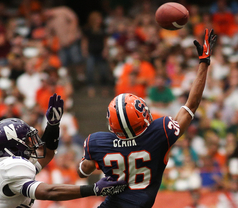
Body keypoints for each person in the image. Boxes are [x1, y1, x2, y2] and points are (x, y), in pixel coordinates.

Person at [77, 29, 217, 208]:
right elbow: (191, 105)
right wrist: (204, 63)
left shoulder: (96, 142)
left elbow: (84, 172)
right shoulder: (160, 132)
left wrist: (86, 167)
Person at [0, 94, 126, 208]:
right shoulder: (11, 166)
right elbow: (48, 192)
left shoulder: (2, 167)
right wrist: (93, 189)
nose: (32, 145)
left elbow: (48, 154)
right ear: (13, 146)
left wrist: (53, 125)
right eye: (27, 141)